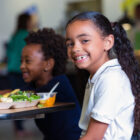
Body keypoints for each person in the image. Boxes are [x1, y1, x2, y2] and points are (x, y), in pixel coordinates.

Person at [65, 11, 140, 140]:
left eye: (85, 40)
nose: (75, 48)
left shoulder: (111, 79)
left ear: (108, 42)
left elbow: (93, 137)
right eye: (70, 44)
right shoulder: (99, 76)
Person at [20, 28, 82, 140]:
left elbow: (20, 97)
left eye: (28, 61)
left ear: (48, 64)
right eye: (21, 61)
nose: (22, 66)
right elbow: (18, 94)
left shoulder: (59, 84)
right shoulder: (35, 84)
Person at [7, 13, 35, 136]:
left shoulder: (14, 36)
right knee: (22, 100)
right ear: (27, 22)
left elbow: (8, 53)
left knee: (15, 99)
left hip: (11, 70)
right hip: (21, 71)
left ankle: (18, 128)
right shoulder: (27, 36)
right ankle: (20, 130)